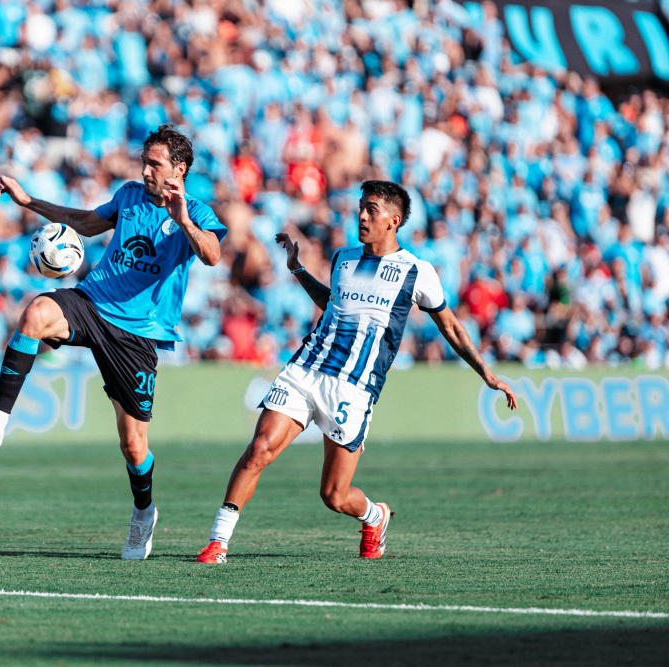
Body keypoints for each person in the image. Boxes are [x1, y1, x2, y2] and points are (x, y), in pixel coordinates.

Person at [195, 180, 518, 564]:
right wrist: (297, 269)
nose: (362, 215)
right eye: (361, 207)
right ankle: (218, 542)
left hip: (354, 388)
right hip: (307, 369)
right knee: (259, 450)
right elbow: (332, 304)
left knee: (334, 496)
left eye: (372, 210)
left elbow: (451, 327)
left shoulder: (417, 271)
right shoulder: (344, 258)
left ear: (393, 220)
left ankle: (374, 515)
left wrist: (487, 374)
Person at [0, 125, 227, 559]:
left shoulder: (196, 211)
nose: (145, 170)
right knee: (35, 314)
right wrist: (29, 201)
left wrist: (182, 221)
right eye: (144, 161)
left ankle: (144, 512)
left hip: (138, 334)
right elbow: (87, 224)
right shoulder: (128, 195)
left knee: (133, 445)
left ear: (179, 169)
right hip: (94, 301)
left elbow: (212, 254)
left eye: (154, 164)